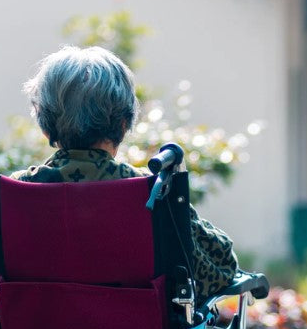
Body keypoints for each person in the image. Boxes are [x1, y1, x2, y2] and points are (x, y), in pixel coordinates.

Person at [12, 45, 238, 302]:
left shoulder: (15, 193)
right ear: (123, 123)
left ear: (45, 127)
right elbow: (221, 267)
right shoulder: (151, 190)